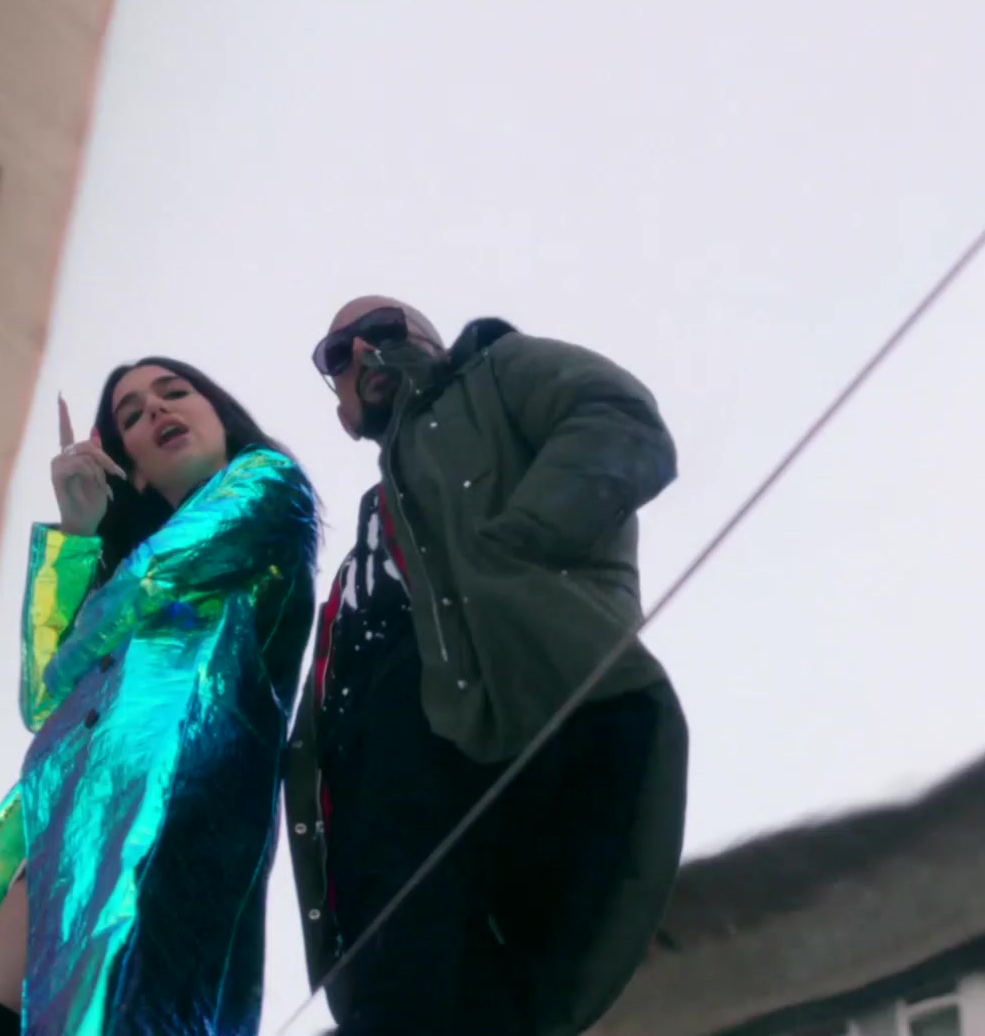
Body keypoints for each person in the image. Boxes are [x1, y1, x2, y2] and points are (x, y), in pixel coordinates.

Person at [283, 298, 690, 1036]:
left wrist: (515, 546)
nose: (363, 353)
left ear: (430, 342)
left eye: (382, 331)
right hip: (376, 816)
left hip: (505, 723)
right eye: (337, 355)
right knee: (421, 995)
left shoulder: (496, 375)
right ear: (341, 410)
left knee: (453, 986)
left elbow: (618, 417)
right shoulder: (371, 540)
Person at [0, 359, 321, 1036]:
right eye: (132, 415)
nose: (156, 410)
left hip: (176, 817)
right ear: (135, 471)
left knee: (123, 1011)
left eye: (174, 393)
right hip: (74, 819)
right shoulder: (120, 588)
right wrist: (77, 532)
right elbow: (43, 699)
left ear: (220, 417)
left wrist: (86, 619)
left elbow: (146, 586)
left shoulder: (267, 483)